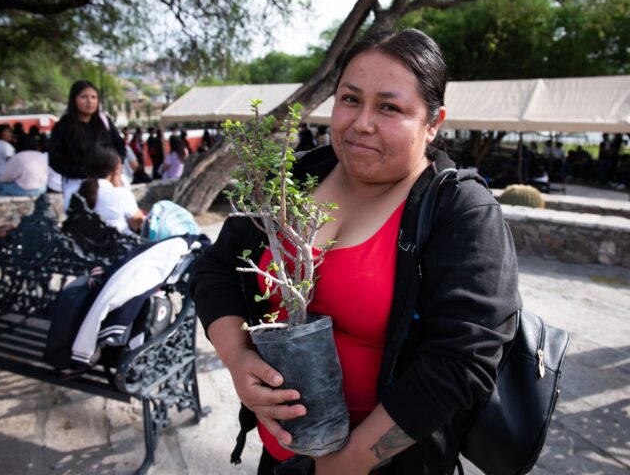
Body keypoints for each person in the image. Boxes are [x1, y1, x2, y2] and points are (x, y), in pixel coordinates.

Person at [190, 29, 521, 474]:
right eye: (349, 99)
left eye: (389, 107)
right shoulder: (294, 179)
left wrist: (350, 462)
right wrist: (237, 358)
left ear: (434, 122)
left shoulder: (460, 211)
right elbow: (217, 269)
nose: (362, 122)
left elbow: (461, 362)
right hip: (282, 457)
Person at [48, 80, 124, 210]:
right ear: (74, 99)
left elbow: (120, 148)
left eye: (93, 97)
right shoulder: (63, 127)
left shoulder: (104, 122)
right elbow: (55, 160)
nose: (89, 101)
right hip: (77, 185)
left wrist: (112, 169)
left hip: (109, 182)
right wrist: (85, 172)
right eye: (84, 97)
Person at [77, 146, 145, 235]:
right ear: (116, 168)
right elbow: (138, 223)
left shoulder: (79, 192)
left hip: (91, 246)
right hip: (124, 246)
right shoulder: (121, 194)